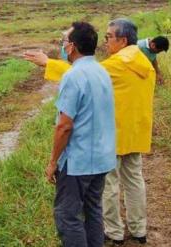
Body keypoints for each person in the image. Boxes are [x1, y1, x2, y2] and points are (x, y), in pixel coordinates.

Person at [25, 18, 156, 245]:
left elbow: (78, 77)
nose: (106, 42)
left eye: (109, 37)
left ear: (123, 40)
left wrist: (48, 63)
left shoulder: (117, 63)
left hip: (103, 140)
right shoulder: (141, 60)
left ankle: (114, 232)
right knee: (129, 183)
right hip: (134, 132)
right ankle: (138, 229)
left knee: (93, 199)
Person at [29, 22, 117, 247]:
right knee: (93, 211)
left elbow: (64, 126)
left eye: (64, 42)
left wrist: (52, 162)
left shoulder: (73, 76)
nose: (62, 46)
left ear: (72, 47)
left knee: (67, 216)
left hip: (79, 161)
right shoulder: (101, 70)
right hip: (102, 157)